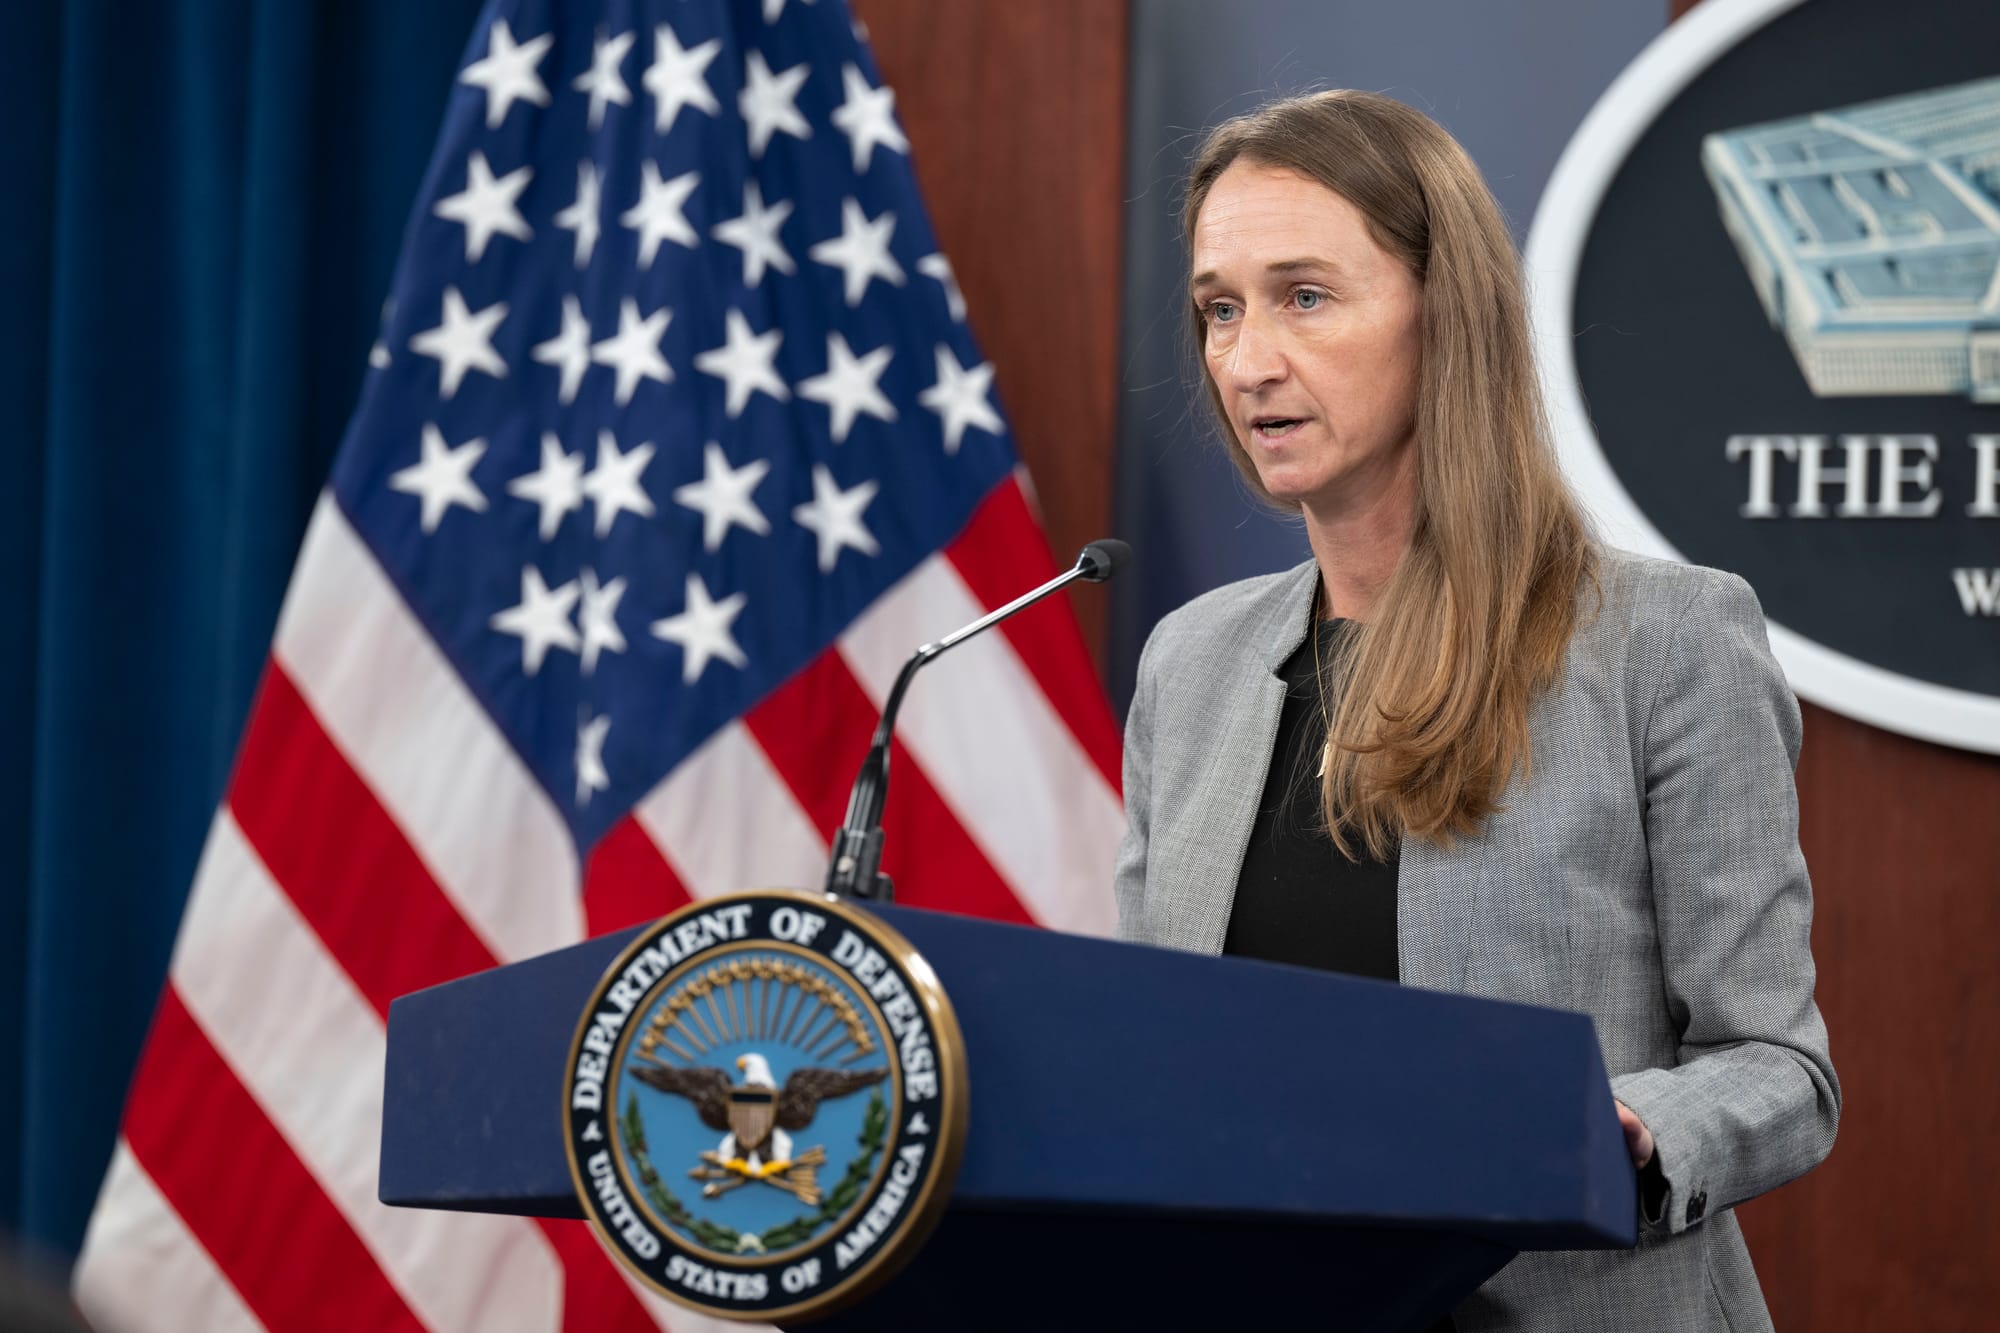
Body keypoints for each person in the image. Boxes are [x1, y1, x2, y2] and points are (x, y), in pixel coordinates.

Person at [1113, 90, 1839, 1332]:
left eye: (1304, 295)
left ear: (1442, 315)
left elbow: (1779, 1070)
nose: (1245, 360)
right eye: (1218, 309)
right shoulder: (1191, 662)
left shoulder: (1662, 639)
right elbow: (1144, 1055)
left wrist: (1616, 1130)